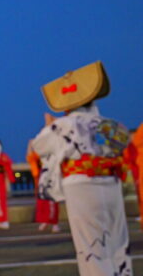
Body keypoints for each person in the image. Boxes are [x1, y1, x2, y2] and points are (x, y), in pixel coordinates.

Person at [33, 61, 131, 276]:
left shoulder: (62, 125)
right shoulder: (110, 124)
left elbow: (38, 146)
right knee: (117, 240)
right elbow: (124, 143)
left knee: (91, 244)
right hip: (111, 181)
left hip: (80, 184)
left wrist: (49, 125)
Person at [26, 121, 60, 233]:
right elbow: (30, 158)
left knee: (53, 200)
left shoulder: (54, 149)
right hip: (42, 177)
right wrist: (30, 145)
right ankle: (44, 221)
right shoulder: (39, 152)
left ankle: (54, 223)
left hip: (52, 176)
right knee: (42, 201)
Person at [0, 139, 15, 230]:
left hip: (0, 181)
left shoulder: (3, 156)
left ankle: (4, 221)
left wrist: (10, 180)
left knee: (0, 200)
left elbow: (8, 168)